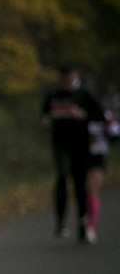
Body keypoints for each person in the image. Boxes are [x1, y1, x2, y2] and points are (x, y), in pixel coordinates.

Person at [42, 64, 105, 241]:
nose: (66, 80)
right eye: (63, 76)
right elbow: (45, 113)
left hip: (81, 146)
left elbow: (100, 117)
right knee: (62, 176)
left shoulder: (84, 95)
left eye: (69, 76)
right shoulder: (53, 95)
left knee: (80, 185)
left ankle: (82, 223)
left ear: (75, 76)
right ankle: (61, 222)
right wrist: (45, 120)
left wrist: (82, 114)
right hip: (60, 144)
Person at [84, 83, 120, 243]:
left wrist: (107, 133)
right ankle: (83, 220)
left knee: (93, 188)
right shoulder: (79, 115)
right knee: (83, 190)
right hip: (80, 157)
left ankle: (90, 226)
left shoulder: (105, 116)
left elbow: (115, 134)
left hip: (97, 157)